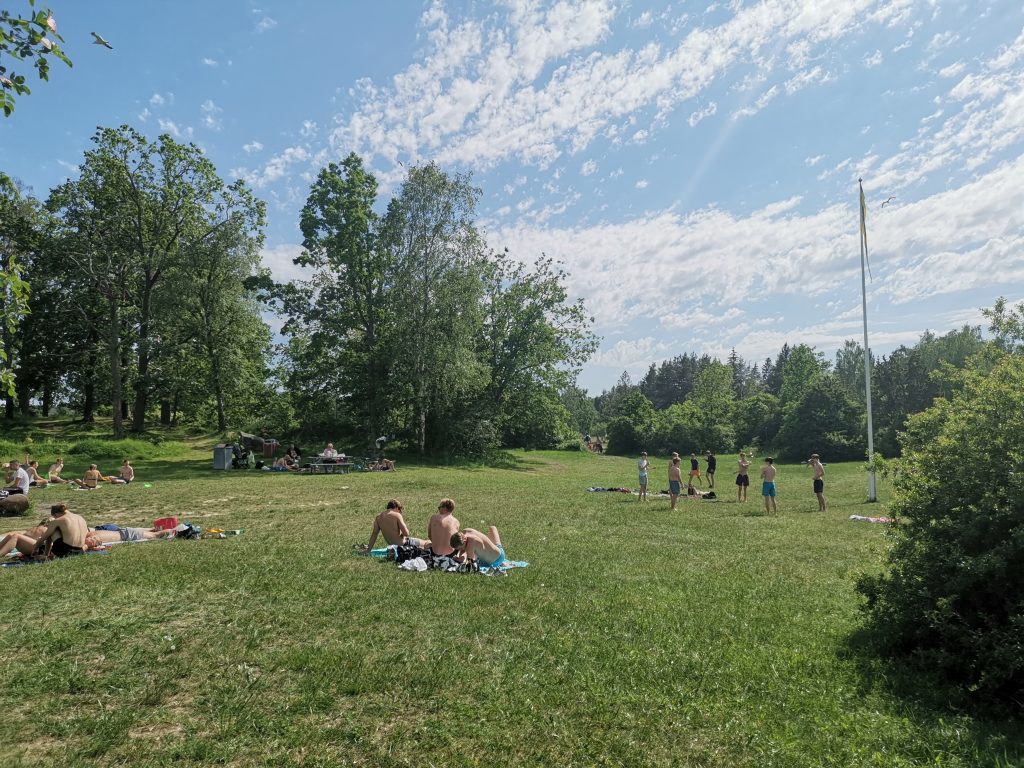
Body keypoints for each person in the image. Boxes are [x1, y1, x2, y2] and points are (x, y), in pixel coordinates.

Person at [86, 526, 173, 545]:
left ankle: (174, 531)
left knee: (156, 535)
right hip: (124, 533)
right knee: (154, 533)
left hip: (126, 534)